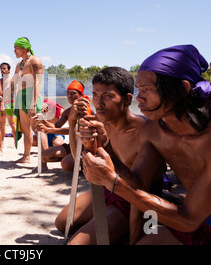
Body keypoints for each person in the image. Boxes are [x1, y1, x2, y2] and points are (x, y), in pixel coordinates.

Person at [81, 45, 211, 245]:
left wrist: (112, 181)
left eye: (148, 89)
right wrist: (104, 147)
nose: (139, 98)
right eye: (139, 89)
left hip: (201, 222)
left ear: (183, 88)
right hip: (201, 221)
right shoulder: (154, 130)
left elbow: (187, 220)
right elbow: (139, 184)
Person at [55, 67, 166, 245]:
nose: (98, 103)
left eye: (107, 96)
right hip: (109, 189)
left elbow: (139, 192)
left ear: (127, 99)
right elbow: (79, 162)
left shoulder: (146, 130)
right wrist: (72, 121)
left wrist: (134, 240)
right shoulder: (101, 122)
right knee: (61, 223)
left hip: (137, 202)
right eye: (96, 95)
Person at [36, 81, 91, 172]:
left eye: (73, 93)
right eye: (68, 93)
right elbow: (56, 126)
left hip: (84, 147)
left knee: (66, 165)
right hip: (71, 146)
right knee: (42, 155)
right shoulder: (67, 111)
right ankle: (73, 159)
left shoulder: (85, 110)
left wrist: (49, 130)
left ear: (81, 95)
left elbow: (73, 130)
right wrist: (43, 120)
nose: (69, 96)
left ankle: (81, 162)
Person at [12, 37, 43, 163]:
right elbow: (14, 82)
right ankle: (26, 156)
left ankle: (43, 160)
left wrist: (33, 104)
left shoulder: (35, 61)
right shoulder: (19, 64)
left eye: (16, 48)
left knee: (38, 129)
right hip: (21, 96)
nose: (14, 51)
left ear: (25, 48)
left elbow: (38, 83)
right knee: (25, 129)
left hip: (31, 95)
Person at [0, 62, 16, 147]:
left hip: (10, 103)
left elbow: (15, 93)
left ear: (8, 70)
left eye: (4, 68)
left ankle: (16, 142)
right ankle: (2, 142)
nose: (2, 70)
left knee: (12, 124)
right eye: (1, 68)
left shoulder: (12, 80)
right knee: (1, 124)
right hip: (1, 103)